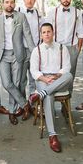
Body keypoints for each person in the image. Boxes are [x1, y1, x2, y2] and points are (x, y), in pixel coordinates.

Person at [0, 0, 35, 125]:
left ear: (15, 4)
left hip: (18, 54)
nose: (9, 4)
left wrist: (35, 53)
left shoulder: (21, 16)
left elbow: (28, 35)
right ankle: (25, 105)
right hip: (2, 55)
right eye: (7, 2)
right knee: (7, 83)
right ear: (3, 3)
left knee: (16, 83)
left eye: (12, 2)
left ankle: (12, 112)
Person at [30, 23, 72, 152]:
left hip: (58, 79)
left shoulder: (62, 48)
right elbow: (34, 71)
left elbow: (66, 67)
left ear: (53, 33)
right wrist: (45, 79)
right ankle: (53, 135)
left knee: (69, 75)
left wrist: (57, 76)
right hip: (43, 79)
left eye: (49, 31)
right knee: (49, 96)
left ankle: (41, 93)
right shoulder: (36, 50)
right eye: (44, 32)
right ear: (41, 35)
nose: (47, 34)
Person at [46, 0, 83, 94]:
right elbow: (47, 31)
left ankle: (67, 104)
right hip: (56, 47)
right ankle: (53, 100)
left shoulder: (77, 12)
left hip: (72, 47)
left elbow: (81, 32)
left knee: (70, 75)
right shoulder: (53, 12)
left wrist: (78, 49)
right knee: (55, 73)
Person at [18, 0, 42, 105]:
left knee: (34, 78)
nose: (29, 1)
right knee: (22, 79)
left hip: (35, 50)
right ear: (24, 0)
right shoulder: (18, 12)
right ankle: (24, 105)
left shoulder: (38, 13)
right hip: (22, 50)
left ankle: (33, 104)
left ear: (35, 0)